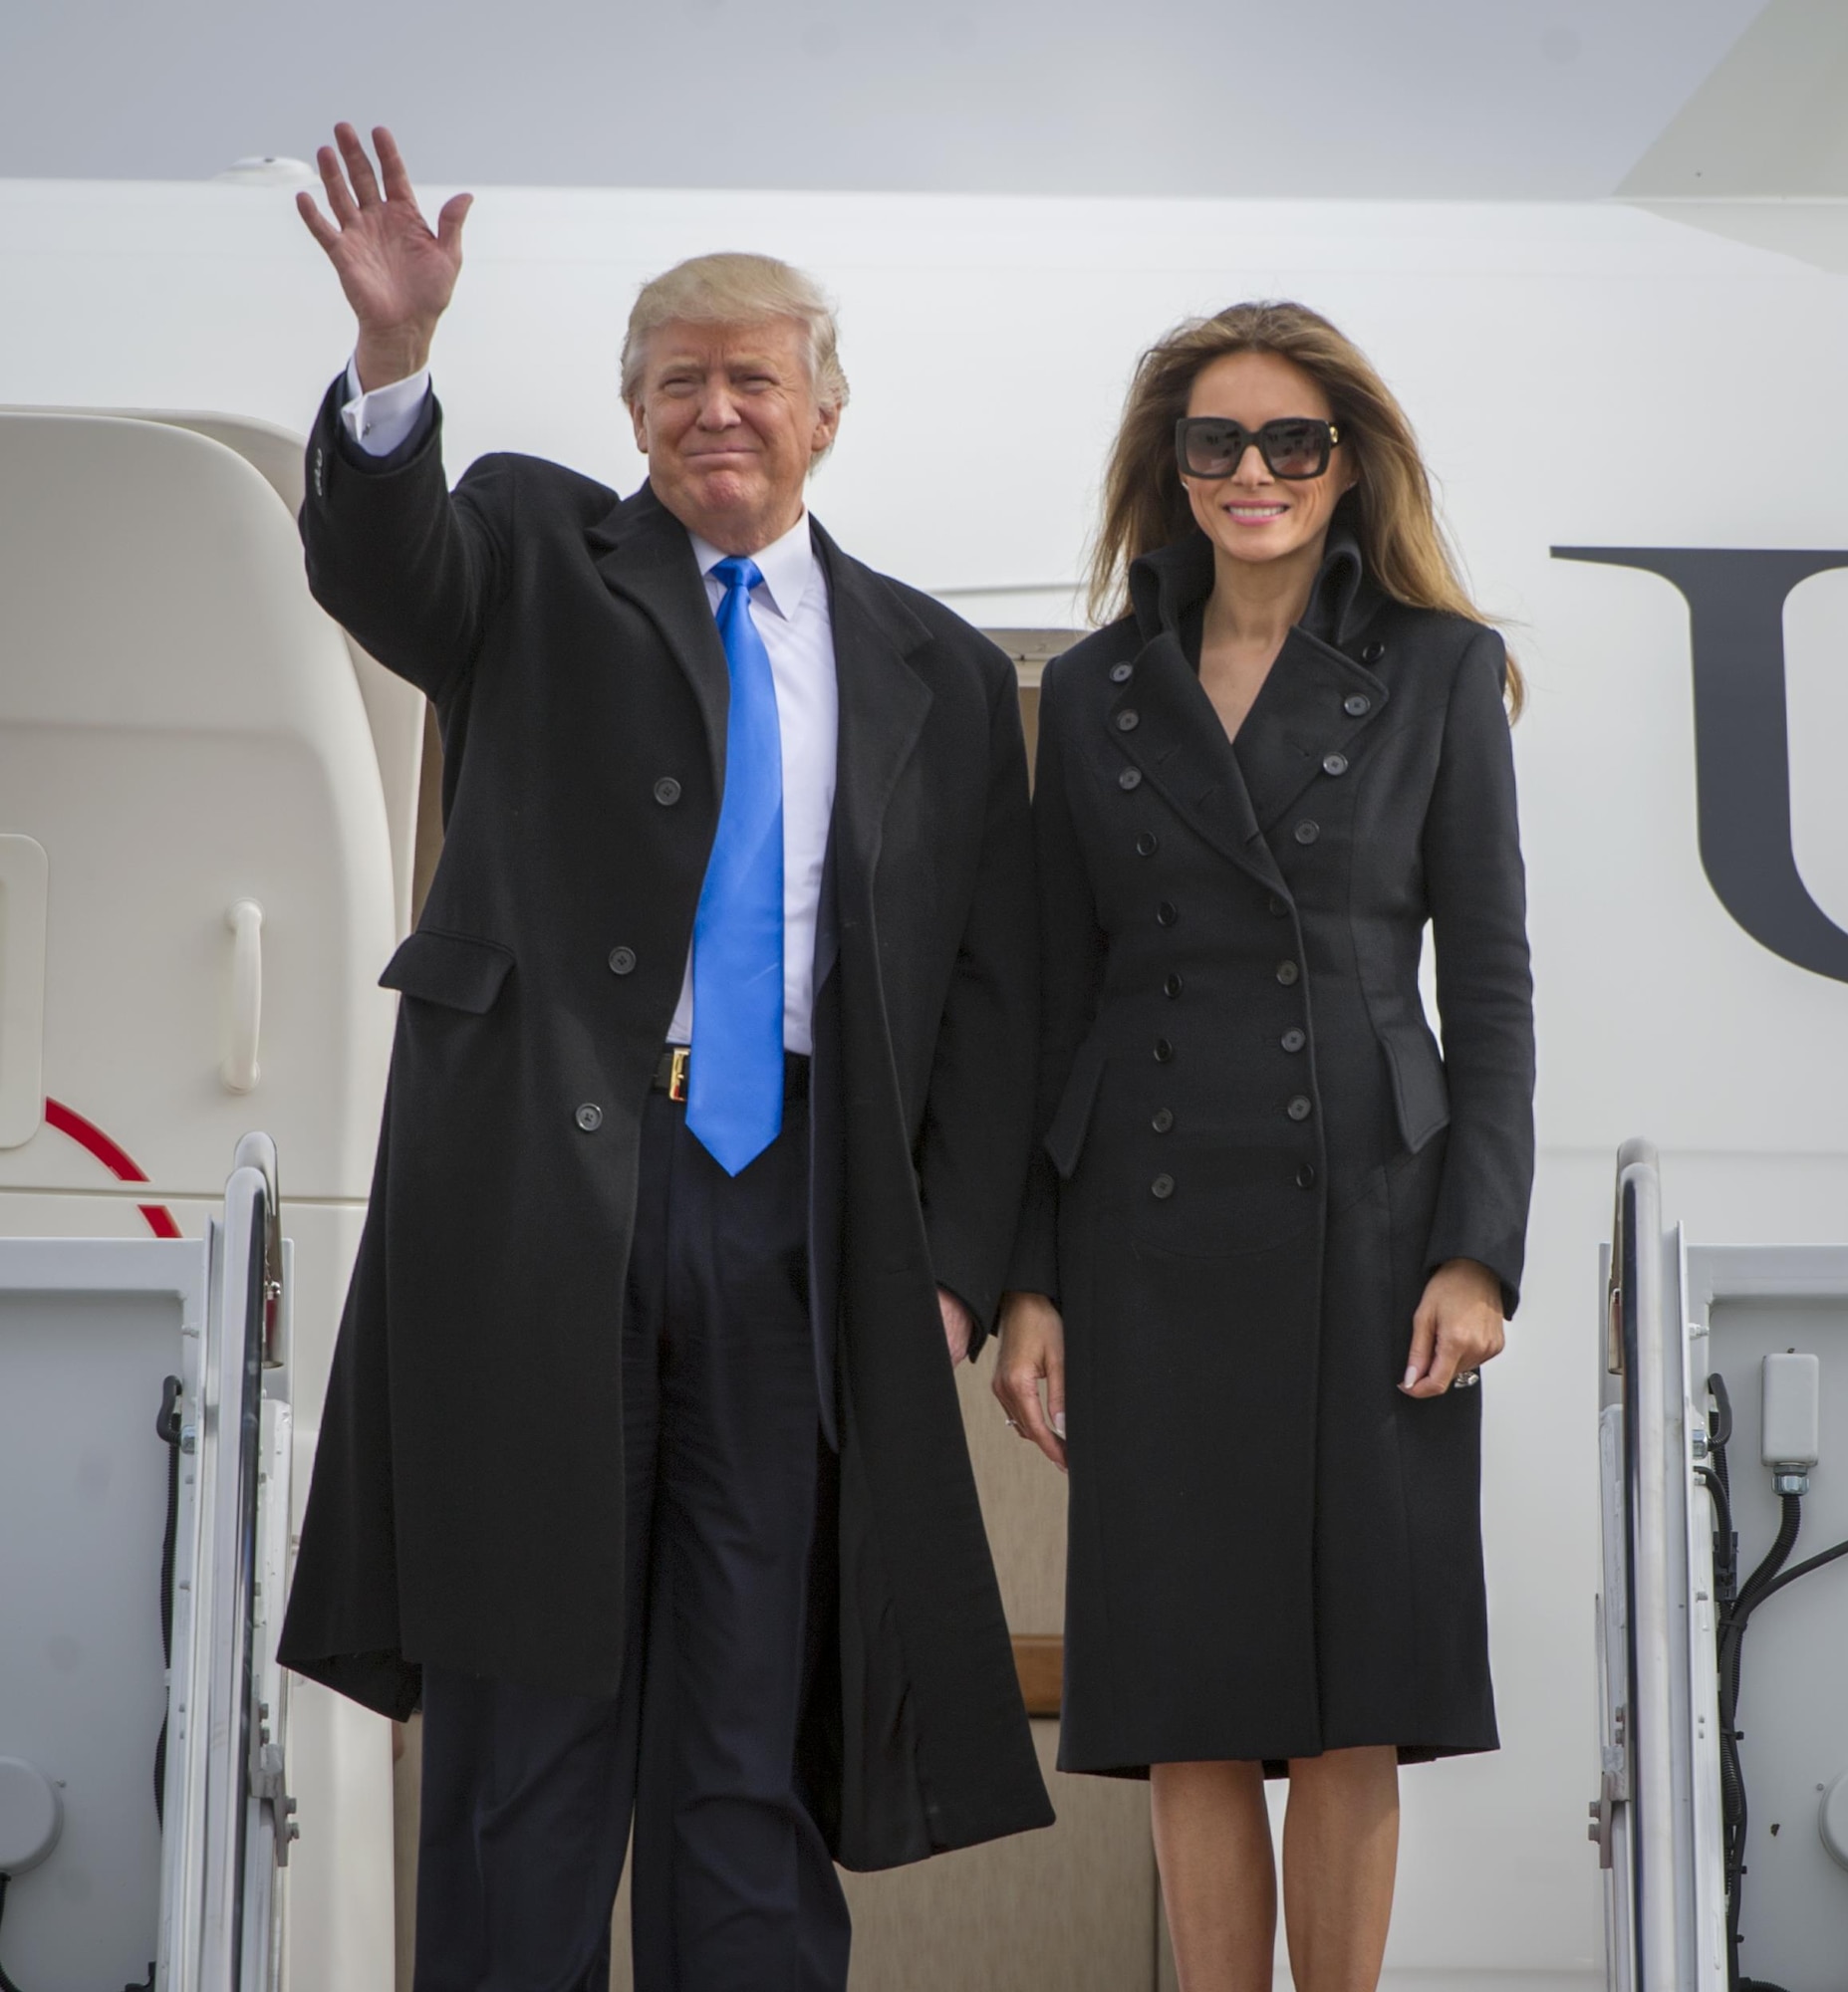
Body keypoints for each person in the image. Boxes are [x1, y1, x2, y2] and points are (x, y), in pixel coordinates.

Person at [277, 124, 1051, 1991]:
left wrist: (950, 1268)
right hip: (553, 1207)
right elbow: (388, 575)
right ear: (630, 410)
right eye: (680, 381)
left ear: (824, 418)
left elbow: (991, 999)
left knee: (749, 1717)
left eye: (754, 380)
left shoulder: (935, 669)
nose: (719, 410)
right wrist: (394, 366)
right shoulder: (535, 551)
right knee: (525, 1724)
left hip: (798, 1227)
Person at [994, 300, 1535, 1992]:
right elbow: (1049, 1001)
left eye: (1289, 443)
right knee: (1188, 1707)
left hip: (1373, 1228)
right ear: (1171, 466)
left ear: (1342, 464)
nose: (1252, 474)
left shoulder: (1439, 665)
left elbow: (1493, 978)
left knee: (1355, 1697)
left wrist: (1477, 1245)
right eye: (1215, 442)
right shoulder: (1089, 694)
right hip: (1147, 1239)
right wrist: (1032, 1285)